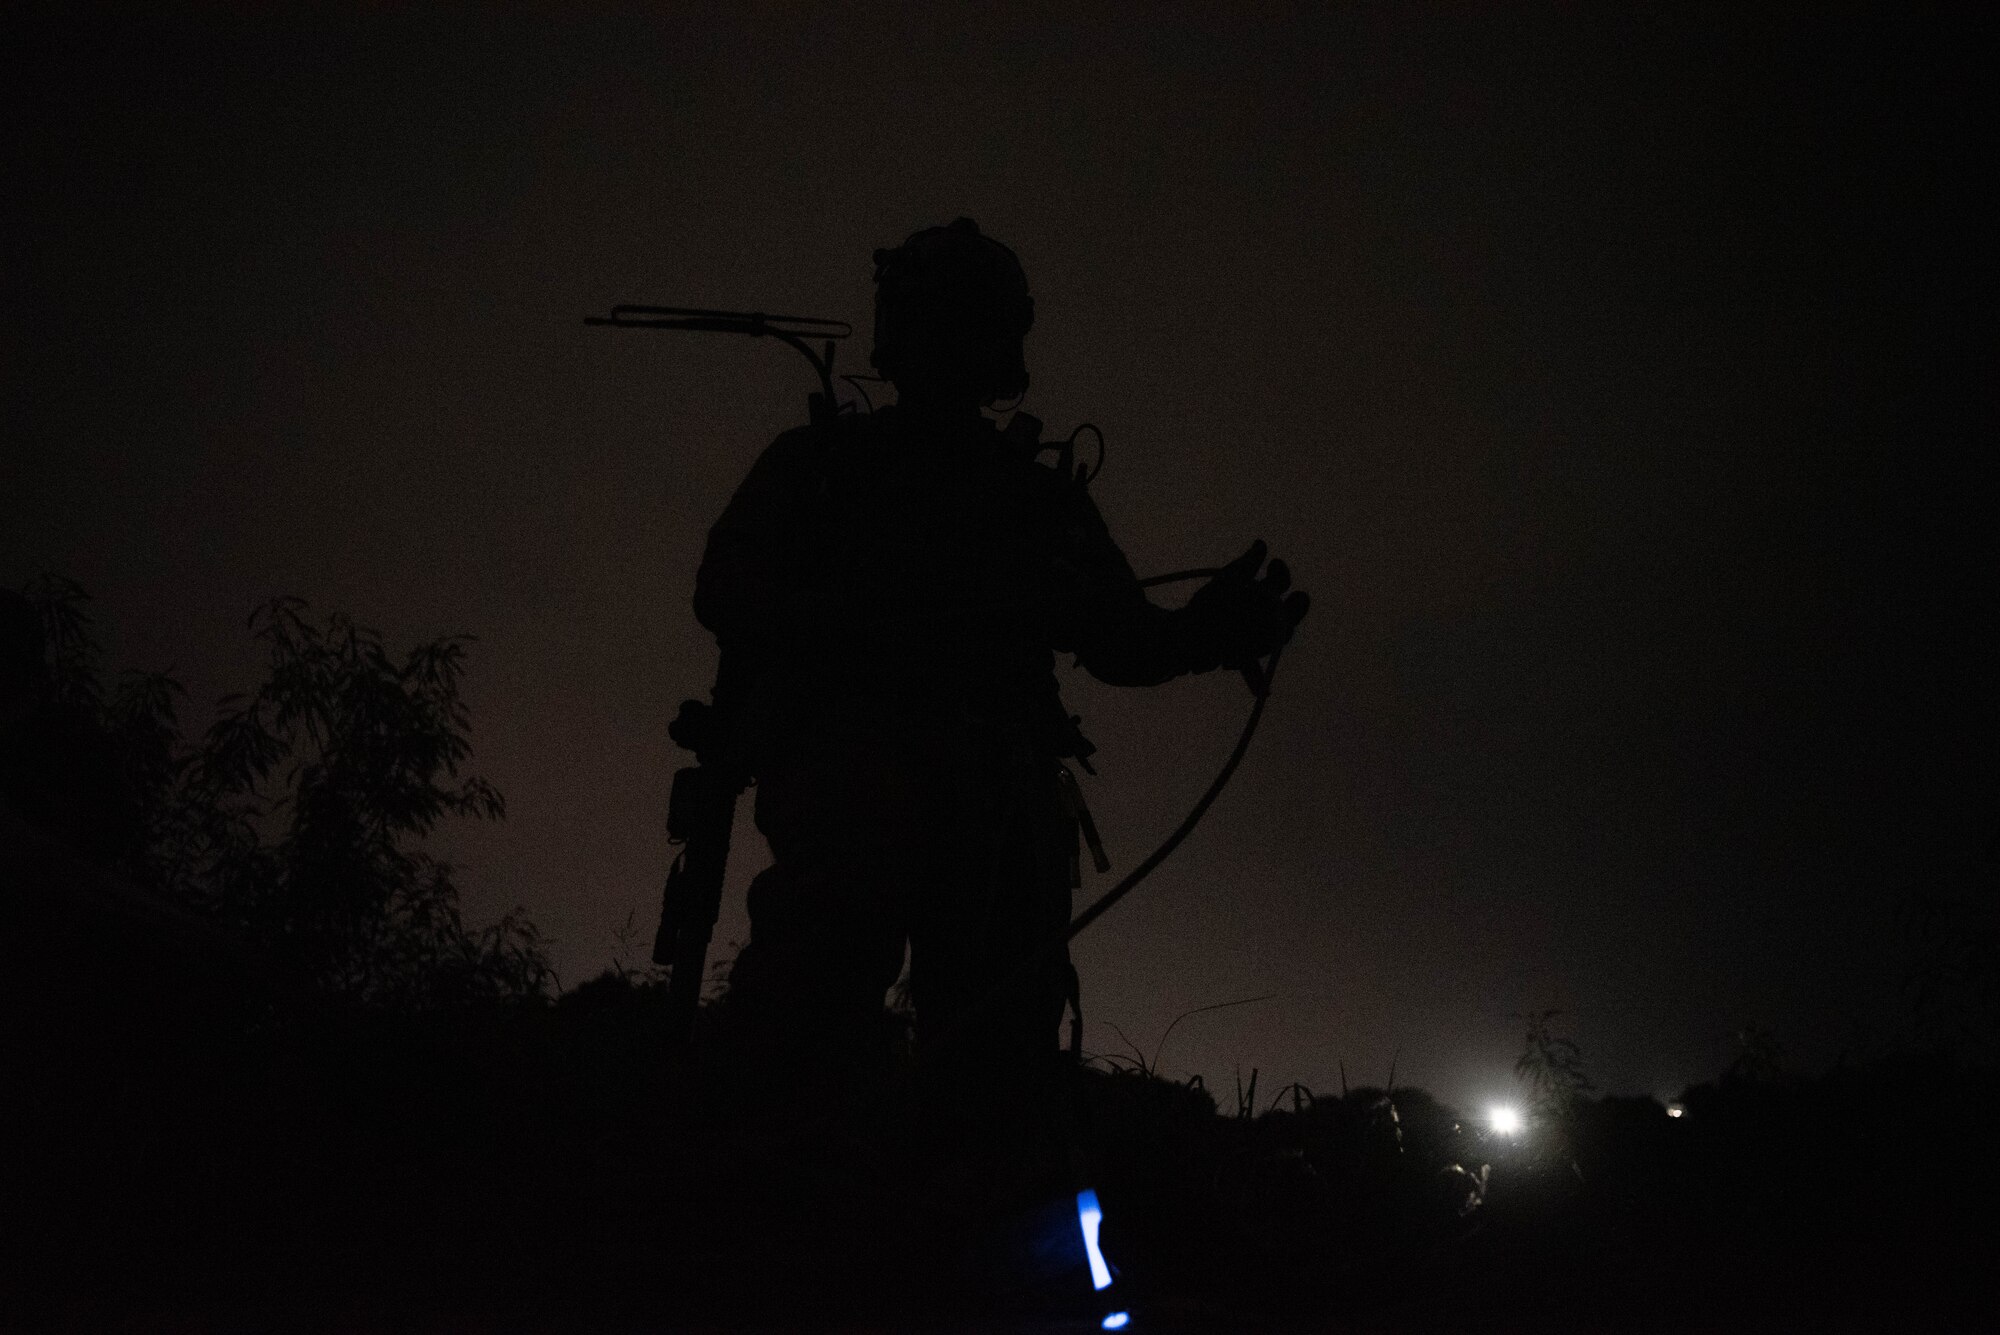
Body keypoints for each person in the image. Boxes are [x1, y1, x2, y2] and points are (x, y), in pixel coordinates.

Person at [691, 218, 1305, 1179]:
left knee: (998, 1076)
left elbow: (1120, 638)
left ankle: (971, 1260)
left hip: (993, 813)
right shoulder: (820, 468)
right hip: (854, 799)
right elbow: (726, 589)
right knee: (801, 1041)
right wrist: (871, 627)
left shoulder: (1030, 495)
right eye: (948, 321)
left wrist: (1210, 631)